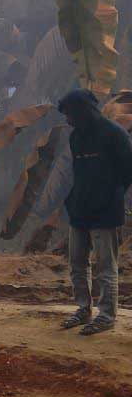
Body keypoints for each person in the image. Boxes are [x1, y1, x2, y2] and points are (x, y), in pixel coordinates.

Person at [57, 89, 132, 335]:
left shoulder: (115, 134)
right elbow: (79, 173)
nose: (68, 121)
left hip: (106, 211)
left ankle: (107, 316)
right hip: (80, 209)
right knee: (77, 263)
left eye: (70, 114)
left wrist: (110, 196)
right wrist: (74, 200)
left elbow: (127, 172)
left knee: (105, 266)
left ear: (84, 110)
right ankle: (83, 309)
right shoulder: (76, 137)